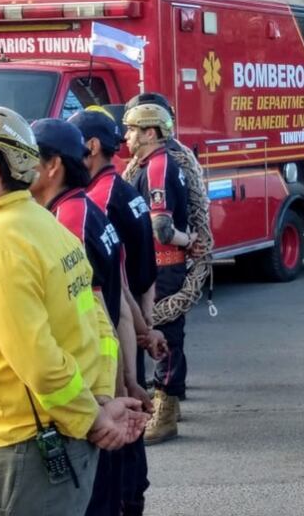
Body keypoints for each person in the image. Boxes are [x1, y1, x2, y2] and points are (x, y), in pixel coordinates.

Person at [0, 105, 147, 516]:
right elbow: (97, 323)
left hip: (16, 454)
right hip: (51, 445)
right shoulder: (44, 226)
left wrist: (93, 418)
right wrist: (98, 400)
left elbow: (39, 358)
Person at [30, 118, 133, 516]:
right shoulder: (86, 207)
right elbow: (120, 298)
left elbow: (103, 311)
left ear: (52, 165)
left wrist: (120, 387)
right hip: (102, 388)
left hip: (89, 394)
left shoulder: (66, 220)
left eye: (28, 159)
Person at [71, 107, 162, 516]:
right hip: (126, 340)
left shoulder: (96, 202)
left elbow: (113, 290)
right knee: (130, 441)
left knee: (116, 450)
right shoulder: (120, 193)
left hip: (111, 352)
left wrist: (128, 369)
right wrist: (148, 328)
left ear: (90, 147)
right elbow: (131, 280)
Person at [123, 101, 193, 445]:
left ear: (150, 132)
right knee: (169, 333)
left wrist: (189, 240)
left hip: (163, 267)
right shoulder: (153, 164)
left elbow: (161, 227)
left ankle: (165, 410)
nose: (127, 136)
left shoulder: (157, 169)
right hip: (158, 266)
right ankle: (171, 402)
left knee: (164, 333)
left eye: (133, 129)